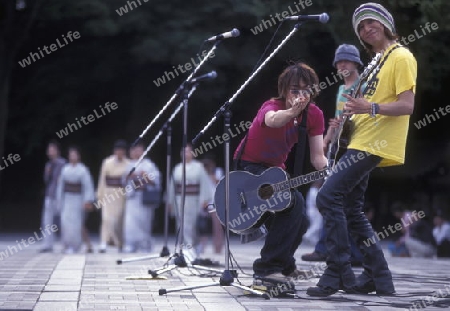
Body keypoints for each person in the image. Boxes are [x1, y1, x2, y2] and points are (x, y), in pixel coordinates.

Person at [307, 2, 417, 297]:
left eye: (371, 23)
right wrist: (346, 118)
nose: (367, 30)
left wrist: (369, 107)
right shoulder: (376, 62)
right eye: (361, 28)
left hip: (373, 143)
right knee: (351, 208)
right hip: (359, 141)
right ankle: (378, 278)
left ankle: (337, 273)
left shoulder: (401, 56)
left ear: (385, 23)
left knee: (328, 197)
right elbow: (360, 106)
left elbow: (407, 105)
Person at [233, 62, 328, 286]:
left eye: (306, 90)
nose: (300, 95)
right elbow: (272, 120)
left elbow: (317, 158)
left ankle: (285, 267)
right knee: (292, 202)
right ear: (284, 90)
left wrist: (332, 170)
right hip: (249, 167)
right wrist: (292, 111)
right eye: (295, 90)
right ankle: (267, 268)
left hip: (276, 171)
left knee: (301, 219)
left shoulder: (314, 115)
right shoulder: (271, 106)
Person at [302, 44, 365, 265]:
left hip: (357, 146)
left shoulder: (364, 85)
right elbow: (338, 118)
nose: (342, 65)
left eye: (346, 61)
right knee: (334, 198)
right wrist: (327, 140)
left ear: (356, 62)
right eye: (339, 62)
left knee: (341, 199)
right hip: (339, 147)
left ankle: (342, 251)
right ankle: (336, 250)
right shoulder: (341, 89)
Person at [167, 144, 213, 261]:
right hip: (180, 200)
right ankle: (183, 249)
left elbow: (204, 184)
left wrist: (204, 200)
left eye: (188, 151)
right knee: (181, 224)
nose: (185, 154)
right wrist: (170, 201)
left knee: (192, 225)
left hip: (194, 200)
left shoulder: (198, 167)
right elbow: (172, 186)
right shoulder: (177, 168)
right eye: (183, 151)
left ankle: (193, 248)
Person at [122, 142, 161, 253]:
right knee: (130, 222)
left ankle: (145, 245)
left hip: (144, 197)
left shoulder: (149, 165)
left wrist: (145, 176)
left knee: (144, 222)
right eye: (135, 150)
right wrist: (130, 176)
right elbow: (123, 180)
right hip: (132, 197)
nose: (137, 153)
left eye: (139, 150)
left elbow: (156, 180)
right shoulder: (129, 164)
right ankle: (130, 244)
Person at [56, 147, 95, 253]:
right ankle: (66, 244)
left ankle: (76, 245)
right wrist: (59, 200)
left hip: (78, 200)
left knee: (76, 224)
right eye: (71, 155)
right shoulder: (65, 169)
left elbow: (88, 186)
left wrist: (87, 200)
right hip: (67, 199)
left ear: (78, 156)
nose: (73, 157)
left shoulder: (83, 170)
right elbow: (61, 187)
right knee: (65, 222)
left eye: (75, 155)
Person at [96, 139, 129, 253]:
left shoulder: (128, 164)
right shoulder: (107, 162)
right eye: (117, 150)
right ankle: (103, 242)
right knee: (106, 219)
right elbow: (102, 180)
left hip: (121, 194)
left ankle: (120, 242)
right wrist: (100, 196)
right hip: (108, 193)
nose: (119, 152)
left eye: (121, 150)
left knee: (119, 221)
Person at [39, 140, 66, 252]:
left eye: (52, 149)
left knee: (63, 220)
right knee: (47, 221)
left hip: (60, 196)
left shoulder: (63, 163)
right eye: (49, 150)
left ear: (57, 151)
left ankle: (65, 243)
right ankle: (47, 244)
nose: (50, 152)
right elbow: (46, 180)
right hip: (49, 195)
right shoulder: (48, 164)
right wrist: (48, 172)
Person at [200, 154, 225, 254]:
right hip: (204, 203)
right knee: (202, 227)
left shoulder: (218, 171)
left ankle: (218, 248)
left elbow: (219, 183)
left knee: (217, 228)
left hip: (216, 203)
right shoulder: (201, 174)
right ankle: (201, 248)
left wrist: (210, 173)